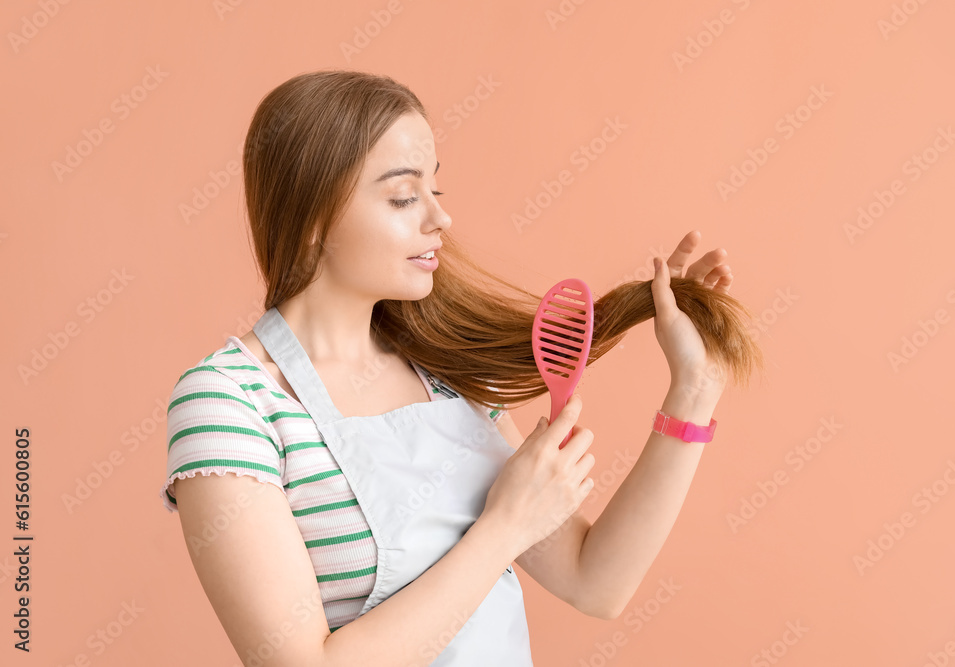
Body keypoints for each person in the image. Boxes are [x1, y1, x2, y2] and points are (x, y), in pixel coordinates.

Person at [160, 70, 753, 667]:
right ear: (313, 217)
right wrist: (505, 526)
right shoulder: (231, 400)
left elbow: (594, 582)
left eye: (435, 192)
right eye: (402, 197)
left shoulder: (446, 376)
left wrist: (694, 392)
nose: (439, 220)